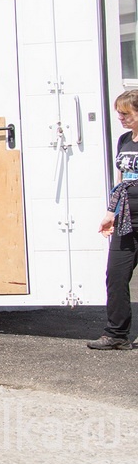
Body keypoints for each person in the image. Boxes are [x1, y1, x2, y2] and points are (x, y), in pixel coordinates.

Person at [90, 90, 138, 350]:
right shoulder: (124, 140)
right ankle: (116, 334)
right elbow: (120, 181)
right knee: (116, 275)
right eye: (119, 112)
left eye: (126, 113)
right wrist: (111, 213)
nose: (120, 117)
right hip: (127, 219)